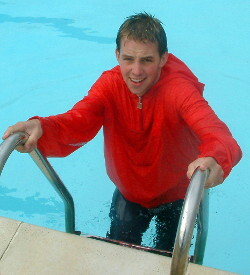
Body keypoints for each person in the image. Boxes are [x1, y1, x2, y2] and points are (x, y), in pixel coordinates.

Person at [2, 13, 242, 252]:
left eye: (146, 60)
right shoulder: (109, 85)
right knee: (116, 254)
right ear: (117, 56)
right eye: (128, 59)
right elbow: (78, 121)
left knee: (169, 257)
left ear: (163, 59)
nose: (136, 71)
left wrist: (214, 157)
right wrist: (42, 127)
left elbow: (219, 136)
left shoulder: (180, 91)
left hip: (177, 195)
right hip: (130, 193)